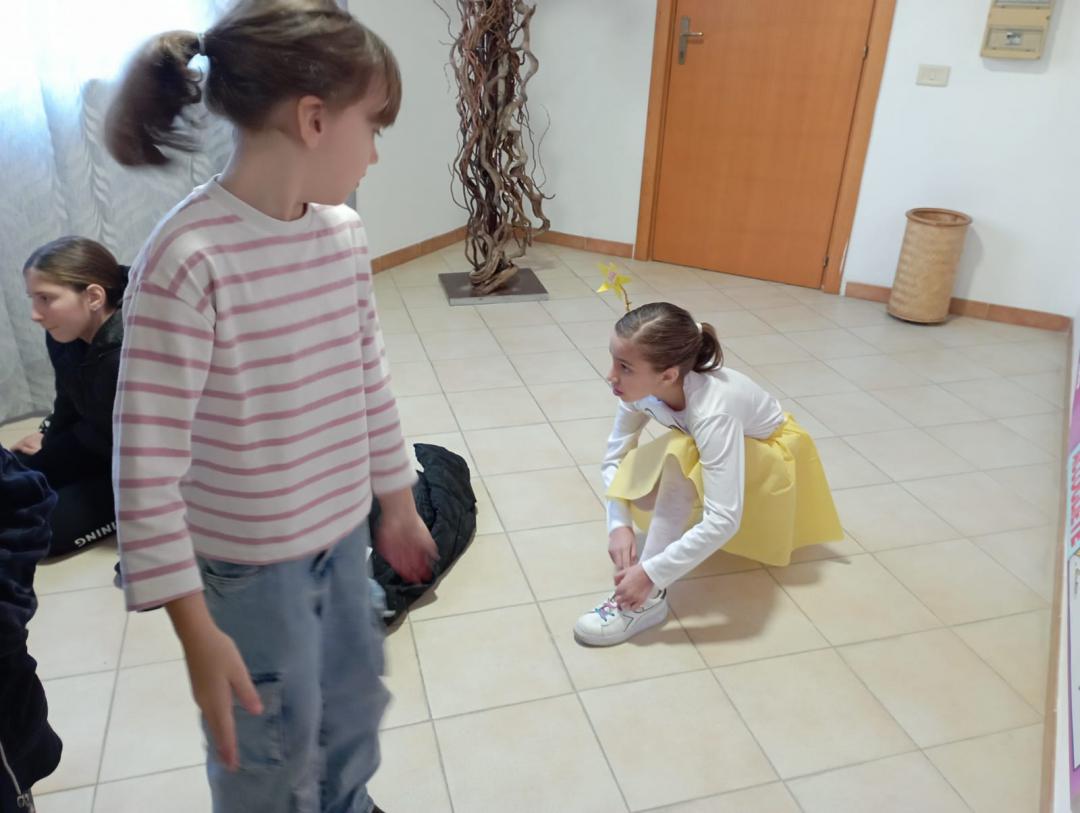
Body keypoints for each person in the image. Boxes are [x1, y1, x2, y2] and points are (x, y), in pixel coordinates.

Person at [105, 2, 437, 810]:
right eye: (373, 127)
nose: (376, 153)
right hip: (251, 573)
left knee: (353, 712)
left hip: (342, 536)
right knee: (271, 754)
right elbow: (145, 469)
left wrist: (396, 501)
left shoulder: (343, 235)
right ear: (314, 120)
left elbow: (369, 376)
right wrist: (196, 633)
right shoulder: (188, 260)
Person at [574, 302, 843, 647]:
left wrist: (651, 573)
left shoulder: (713, 411)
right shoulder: (638, 390)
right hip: (724, 443)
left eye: (624, 367)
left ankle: (649, 599)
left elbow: (725, 519)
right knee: (653, 475)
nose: (610, 375)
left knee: (679, 455)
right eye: (613, 360)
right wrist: (618, 524)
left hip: (774, 456)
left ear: (668, 376)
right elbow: (615, 457)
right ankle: (651, 573)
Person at [12, 237, 126, 557]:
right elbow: (68, 398)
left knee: (45, 533)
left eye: (45, 298)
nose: (35, 314)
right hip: (94, 439)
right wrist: (49, 437)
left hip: (134, 467)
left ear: (93, 296)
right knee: (12, 477)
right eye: (33, 299)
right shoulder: (63, 334)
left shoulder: (132, 351)